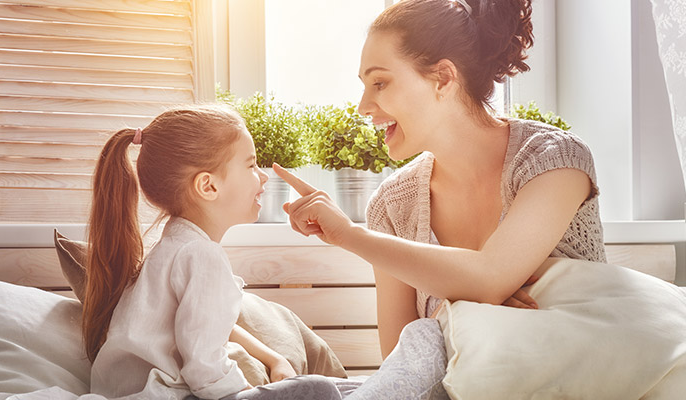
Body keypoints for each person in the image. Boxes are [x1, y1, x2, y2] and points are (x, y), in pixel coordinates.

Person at [275, 0, 606, 396]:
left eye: (379, 83)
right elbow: (402, 368)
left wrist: (348, 235)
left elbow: (489, 277)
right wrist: (475, 314)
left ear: (443, 78)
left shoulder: (553, 160)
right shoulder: (392, 204)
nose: (364, 107)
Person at [84, 105, 343, 400]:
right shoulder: (202, 255)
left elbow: (211, 326)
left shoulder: (177, 246)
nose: (263, 177)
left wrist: (275, 359)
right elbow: (204, 369)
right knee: (321, 389)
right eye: (251, 165)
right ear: (208, 185)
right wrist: (250, 393)